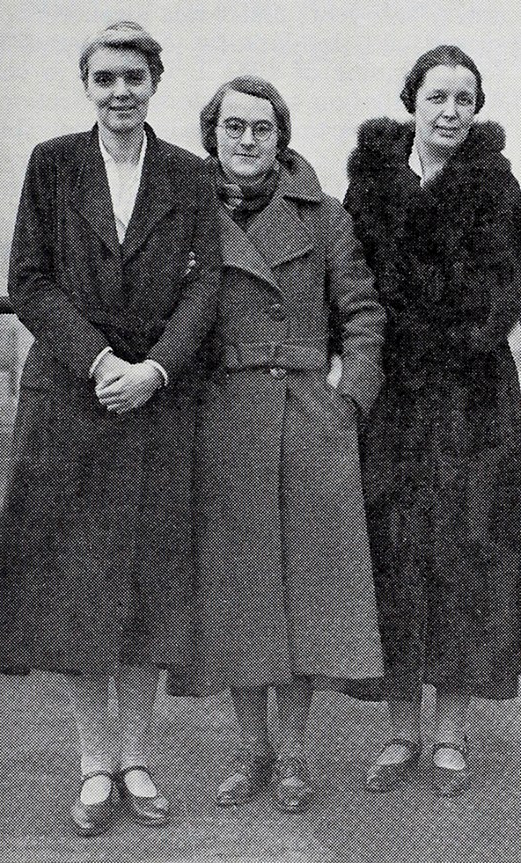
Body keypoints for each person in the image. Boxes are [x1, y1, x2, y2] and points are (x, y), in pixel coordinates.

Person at [0, 21, 221, 835]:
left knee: (145, 588)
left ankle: (139, 758)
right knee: (79, 590)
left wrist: (154, 370)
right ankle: (94, 766)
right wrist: (103, 362)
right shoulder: (53, 164)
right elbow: (29, 280)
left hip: (155, 402)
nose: (121, 92)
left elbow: (206, 285)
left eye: (135, 78)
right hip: (73, 404)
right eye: (106, 78)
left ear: (155, 83)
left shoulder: (186, 173)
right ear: (88, 86)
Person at [173, 76, 386, 812]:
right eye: (234, 127)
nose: (247, 141)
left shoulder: (324, 216)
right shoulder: (186, 214)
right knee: (241, 597)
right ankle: (251, 750)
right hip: (225, 421)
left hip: (308, 421)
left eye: (262, 128)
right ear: (213, 136)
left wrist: (350, 393)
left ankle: (293, 754)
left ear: (280, 137)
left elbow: (362, 312)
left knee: (304, 595)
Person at [344, 45, 521, 796]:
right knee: (391, 548)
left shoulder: (500, 190)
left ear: (477, 110)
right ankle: (399, 733)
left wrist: (447, 334)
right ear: (411, 102)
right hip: (392, 397)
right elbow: (348, 285)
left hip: (473, 397)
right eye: (437, 97)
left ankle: (450, 733)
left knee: (470, 555)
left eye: (464, 99)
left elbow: (502, 294)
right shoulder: (371, 187)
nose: (450, 112)